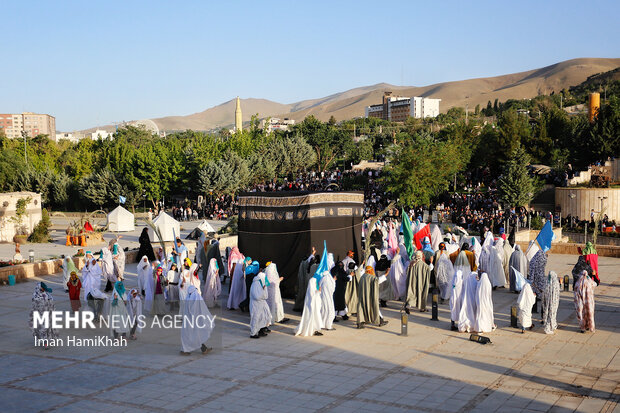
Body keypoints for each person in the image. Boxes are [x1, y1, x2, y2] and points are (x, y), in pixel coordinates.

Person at [180, 286, 214, 355]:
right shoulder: (197, 298)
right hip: (196, 321)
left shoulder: (188, 298)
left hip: (188, 321)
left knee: (192, 335)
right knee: (196, 334)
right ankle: (187, 350)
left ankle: (202, 349)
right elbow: (203, 310)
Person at [295, 269, 324, 337]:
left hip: (315, 302)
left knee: (316, 316)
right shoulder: (312, 281)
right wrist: (318, 291)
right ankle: (311, 330)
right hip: (312, 303)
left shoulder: (315, 280)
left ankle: (315, 329)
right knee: (311, 316)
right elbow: (312, 293)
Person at [30, 282, 58, 349]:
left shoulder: (46, 294)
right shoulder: (36, 296)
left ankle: (47, 340)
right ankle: (45, 342)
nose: (44, 289)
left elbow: (51, 302)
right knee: (43, 328)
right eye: (43, 288)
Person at [250, 272, 273, 338]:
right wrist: (263, 294)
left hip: (262, 303)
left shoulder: (261, 283)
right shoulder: (256, 283)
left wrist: (263, 292)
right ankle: (253, 333)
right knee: (256, 318)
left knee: (265, 316)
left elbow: (266, 295)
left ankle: (260, 330)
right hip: (256, 304)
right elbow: (256, 296)